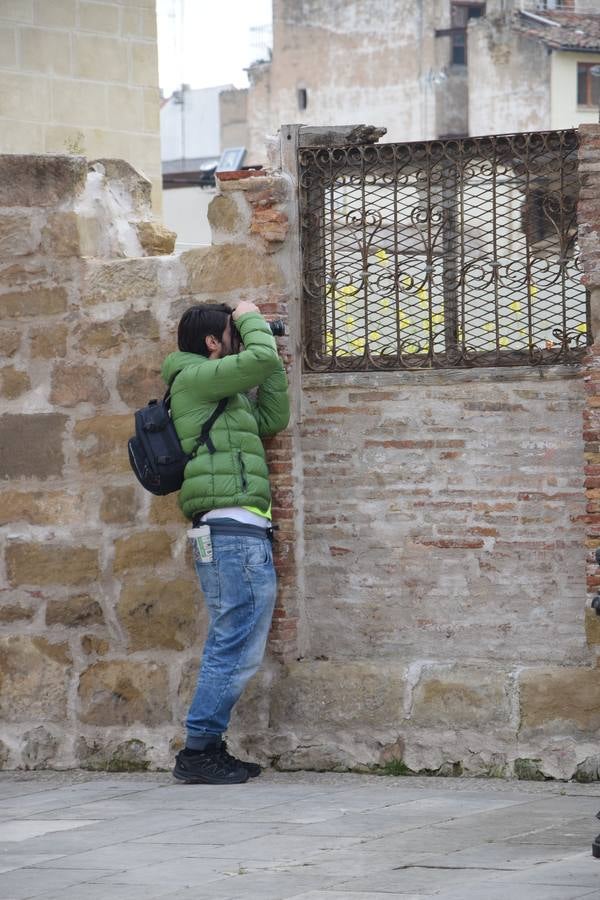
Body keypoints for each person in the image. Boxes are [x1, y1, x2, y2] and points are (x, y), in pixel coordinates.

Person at [161, 300, 290, 785]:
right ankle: (198, 751)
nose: (241, 337)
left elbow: (272, 418)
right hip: (232, 534)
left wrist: (270, 351)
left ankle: (206, 748)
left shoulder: (221, 394)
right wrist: (251, 316)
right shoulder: (194, 379)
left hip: (237, 533)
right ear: (214, 343)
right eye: (233, 333)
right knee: (234, 645)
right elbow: (255, 361)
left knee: (233, 642)